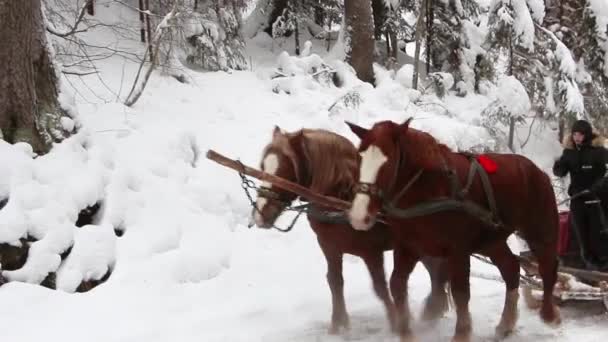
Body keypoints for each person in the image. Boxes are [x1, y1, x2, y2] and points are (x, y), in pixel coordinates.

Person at [553, 119, 608, 270]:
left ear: (587, 135)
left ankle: (602, 266)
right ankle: (587, 265)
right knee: (580, 236)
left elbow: (606, 173)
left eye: (580, 134)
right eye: (575, 134)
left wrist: (597, 187)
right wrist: (558, 166)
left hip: (597, 200)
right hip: (577, 199)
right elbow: (561, 171)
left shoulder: (599, 152)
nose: (577, 137)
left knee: (597, 235)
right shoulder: (569, 152)